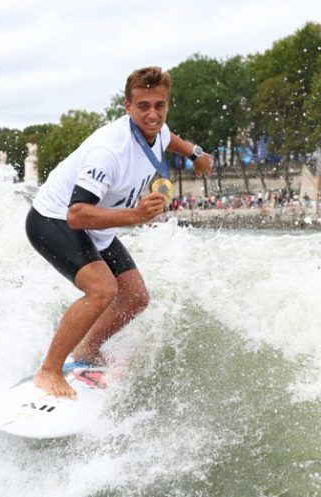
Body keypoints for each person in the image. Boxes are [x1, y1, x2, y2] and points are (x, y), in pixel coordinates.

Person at [25, 66, 213, 398]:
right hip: (52, 219)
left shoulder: (158, 130)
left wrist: (196, 155)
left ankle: (86, 349)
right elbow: (76, 214)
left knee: (136, 297)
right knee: (102, 290)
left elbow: (172, 141)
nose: (153, 114)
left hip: (96, 225)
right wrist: (135, 215)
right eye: (143, 107)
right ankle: (49, 371)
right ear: (127, 107)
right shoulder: (108, 152)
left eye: (160, 105)